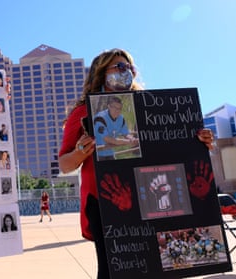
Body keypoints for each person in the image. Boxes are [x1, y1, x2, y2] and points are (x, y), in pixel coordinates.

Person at [57, 48, 215, 279]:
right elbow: (64, 164)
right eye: (118, 67)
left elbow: (169, 149)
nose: (125, 72)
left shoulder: (150, 107)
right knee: (115, 271)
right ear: (102, 73)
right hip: (106, 202)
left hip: (149, 197)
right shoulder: (83, 112)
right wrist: (81, 151)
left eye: (129, 68)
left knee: (155, 268)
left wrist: (199, 143)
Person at [93, 96, 139, 161]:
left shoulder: (121, 118)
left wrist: (132, 139)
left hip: (110, 152)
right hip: (97, 154)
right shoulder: (100, 118)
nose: (117, 111)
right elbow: (107, 139)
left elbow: (126, 133)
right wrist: (127, 142)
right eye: (115, 108)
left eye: (119, 108)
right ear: (109, 106)